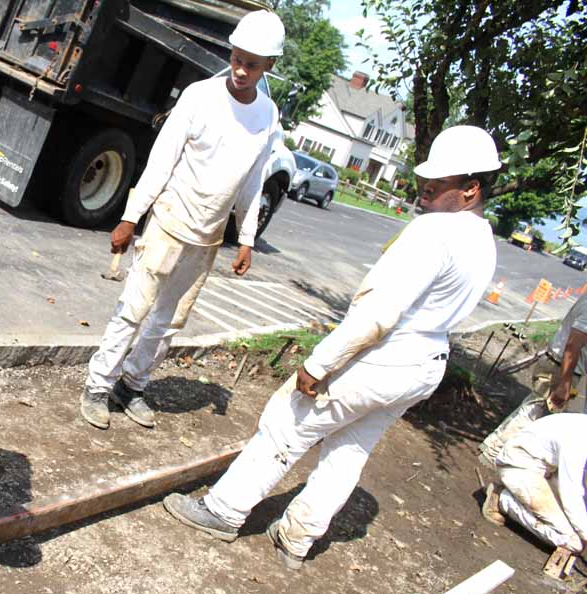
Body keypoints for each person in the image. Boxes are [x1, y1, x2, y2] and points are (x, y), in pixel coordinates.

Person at [163, 125, 501, 570]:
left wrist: (320, 363)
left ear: (470, 188)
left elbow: (379, 312)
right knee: (350, 450)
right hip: (423, 364)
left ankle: (223, 511)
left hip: (383, 357)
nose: (423, 192)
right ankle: (297, 538)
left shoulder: (434, 231)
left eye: (435, 186)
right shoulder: (484, 242)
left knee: (287, 425)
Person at [80, 10, 286, 429]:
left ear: (270, 66)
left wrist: (246, 238)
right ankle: (97, 386)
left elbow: (253, 182)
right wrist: (130, 217)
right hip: (169, 222)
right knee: (133, 310)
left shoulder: (267, 116)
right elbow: (162, 160)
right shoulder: (200, 96)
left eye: (252, 63)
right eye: (237, 58)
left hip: (207, 239)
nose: (241, 70)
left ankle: (132, 386)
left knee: (168, 322)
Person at [479, 297, 587, 467]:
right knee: (534, 415)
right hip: (561, 369)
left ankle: (493, 447)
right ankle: (495, 454)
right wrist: (565, 383)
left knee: (532, 409)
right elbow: (572, 346)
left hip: (561, 366)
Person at [482, 413, 587, 556]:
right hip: (518, 467)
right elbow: (571, 493)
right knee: (574, 542)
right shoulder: (578, 441)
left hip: (540, 470)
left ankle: (514, 495)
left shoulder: (581, 424)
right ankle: (502, 499)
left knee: (577, 522)